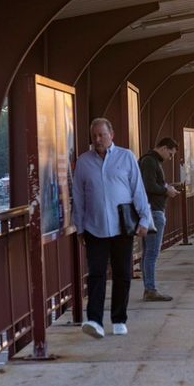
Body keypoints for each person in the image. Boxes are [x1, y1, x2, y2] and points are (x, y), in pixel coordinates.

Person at [73, 118, 151, 339]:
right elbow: (78, 196)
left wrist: (144, 219)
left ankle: (119, 319)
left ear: (112, 134)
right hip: (93, 226)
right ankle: (95, 321)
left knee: (122, 273)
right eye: (94, 136)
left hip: (122, 227)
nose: (98, 140)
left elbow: (138, 189)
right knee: (96, 274)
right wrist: (79, 226)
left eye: (101, 135)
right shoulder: (83, 162)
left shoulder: (126, 157)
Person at [139, 137, 180, 301]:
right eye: (170, 154)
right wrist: (166, 190)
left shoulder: (149, 161)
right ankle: (150, 289)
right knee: (152, 253)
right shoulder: (150, 162)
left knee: (147, 253)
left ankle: (148, 288)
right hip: (153, 212)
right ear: (163, 148)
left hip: (149, 212)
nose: (170, 158)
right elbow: (148, 186)